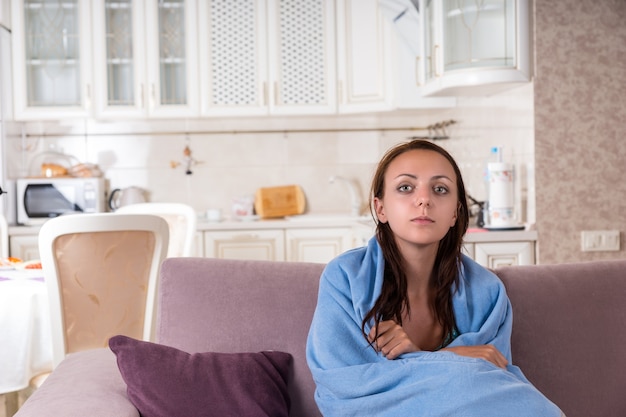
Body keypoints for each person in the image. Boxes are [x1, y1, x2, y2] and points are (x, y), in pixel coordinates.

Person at [306, 139, 564, 417]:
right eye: (406, 187)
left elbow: (490, 388)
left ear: (455, 212)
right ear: (380, 208)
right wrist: (455, 358)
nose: (424, 199)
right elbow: (343, 386)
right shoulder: (345, 278)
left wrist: (419, 355)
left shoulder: (487, 292)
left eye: (440, 189)